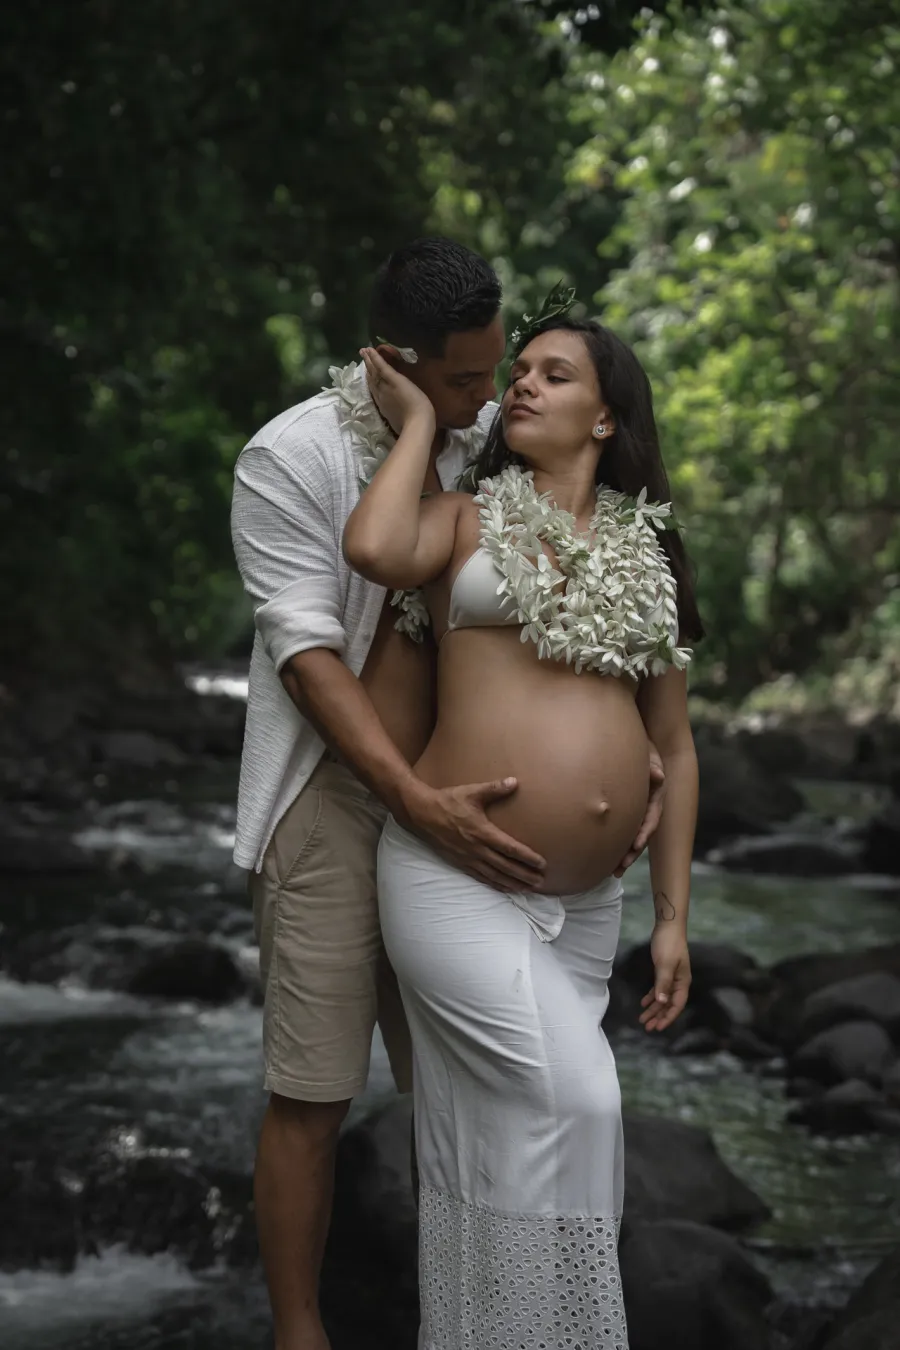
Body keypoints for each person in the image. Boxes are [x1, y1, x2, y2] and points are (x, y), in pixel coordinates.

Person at [231, 239, 666, 1350]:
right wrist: (413, 801)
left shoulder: (495, 440)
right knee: (313, 1091)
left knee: (483, 1107)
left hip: (478, 817)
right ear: (396, 364)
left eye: (500, 372)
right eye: (466, 380)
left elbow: (573, 615)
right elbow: (310, 656)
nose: (490, 396)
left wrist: (633, 755)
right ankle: (300, 1333)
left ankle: (485, 1326)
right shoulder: (291, 457)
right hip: (338, 799)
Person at [342, 313, 702, 1348]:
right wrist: (415, 421)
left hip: (588, 905)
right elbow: (373, 547)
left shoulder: (650, 552)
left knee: (507, 1140)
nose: (523, 388)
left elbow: (672, 747)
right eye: (520, 373)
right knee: (582, 1100)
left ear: (604, 419)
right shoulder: (462, 520)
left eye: (556, 375)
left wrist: (673, 916)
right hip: (452, 877)